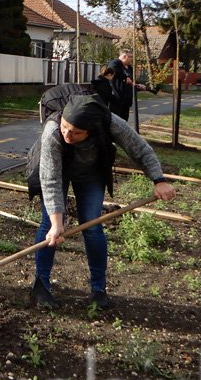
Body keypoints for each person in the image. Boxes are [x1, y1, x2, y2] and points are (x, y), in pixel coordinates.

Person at [30, 94, 176, 311]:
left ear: (91, 129)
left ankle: (98, 289)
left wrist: (159, 180)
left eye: (76, 132)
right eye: (65, 127)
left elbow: (139, 148)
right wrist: (57, 223)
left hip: (91, 171)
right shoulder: (53, 131)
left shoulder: (108, 121)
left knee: (92, 225)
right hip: (56, 170)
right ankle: (40, 285)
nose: (68, 134)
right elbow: (51, 179)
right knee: (49, 227)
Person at [105, 48, 151, 121]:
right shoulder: (115, 63)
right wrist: (125, 78)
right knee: (115, 122)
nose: (131, 59)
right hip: (116, 100)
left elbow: (131, 81)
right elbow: (111, 70)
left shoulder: (129, 67)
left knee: (124, 121)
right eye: (130, 57)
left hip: (126, 101)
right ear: (124, 56)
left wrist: (138, 86)